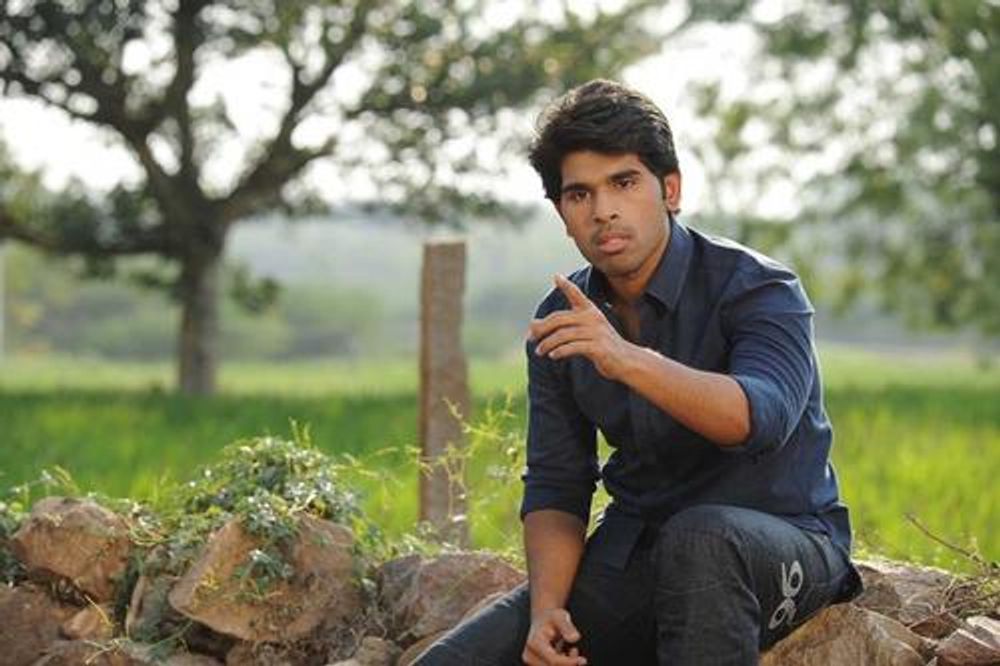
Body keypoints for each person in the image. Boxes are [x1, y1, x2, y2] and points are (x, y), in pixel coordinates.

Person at [414, 79, 862, 666]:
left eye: (623, 183)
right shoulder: (562, 320)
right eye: (580, 194)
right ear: (562, 214)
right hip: (638, 552)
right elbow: (557, 482)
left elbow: (760, 419)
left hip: (782, 543)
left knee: (702, 540)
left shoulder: (759, 289)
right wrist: (548, 610)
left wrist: (625, 358)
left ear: (670, 189)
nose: (603, 210)